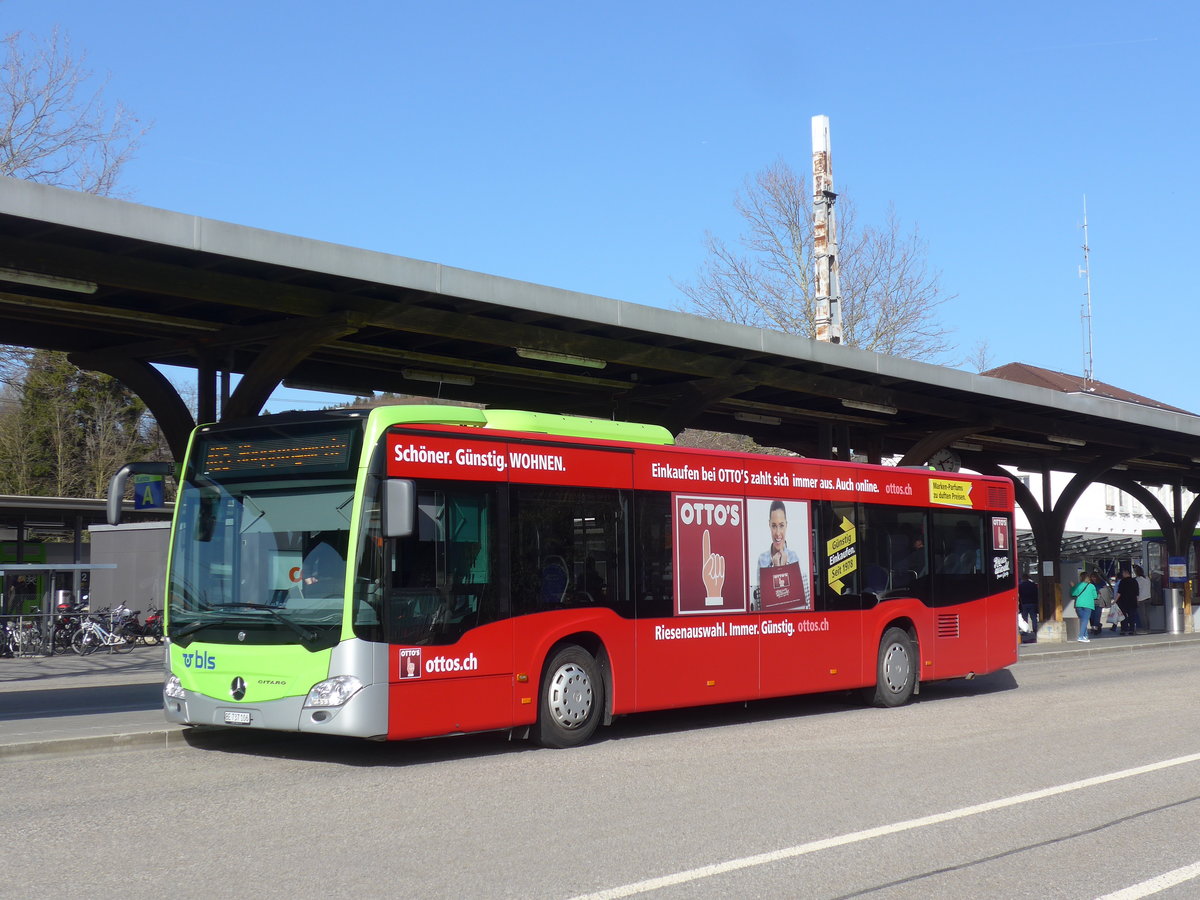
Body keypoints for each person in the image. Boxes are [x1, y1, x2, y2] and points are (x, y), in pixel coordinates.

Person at [758, 500, 801, 568]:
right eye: (774, 526)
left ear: (786, 525)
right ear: (769, 525)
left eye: (781, 525)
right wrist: (776, 567)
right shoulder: (762, 559)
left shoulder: (794, 558)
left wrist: (784, 566)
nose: (778, 533)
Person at [1070, 572, 1097, 643]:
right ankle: (1081, 636)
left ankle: (1085, 636)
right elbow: (1095, 596)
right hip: (1088, 605)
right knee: (1085, 621)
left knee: (1083, 620)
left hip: (1079, 605)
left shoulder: (1078, 585)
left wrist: (1073, 586)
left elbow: (1073, 593)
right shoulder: (1092, 586)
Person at [1115, 568, 1139, 635]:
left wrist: (1115, 601)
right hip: (1133, 601)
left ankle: (1124, 629)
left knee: (1123, 616)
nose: (1122, 575)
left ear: (1125, 573)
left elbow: (1119, 593)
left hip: (1123, 602)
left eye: (1123, 573)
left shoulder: (1122, 582)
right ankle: (1132, 629)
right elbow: (1137, 593)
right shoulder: (1134, 581)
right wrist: (1137, 601)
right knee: (1132, 616)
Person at [1018, 571, 1039, 643]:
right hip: (1033, 603)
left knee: (1025, 618)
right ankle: (1035, 629)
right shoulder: (1033, 585)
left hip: (1024, 603)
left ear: (1023, 578)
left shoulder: (1021, 586)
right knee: (1034, 617)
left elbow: (1019, 595)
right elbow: (1036, 593)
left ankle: (1026, 631)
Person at [1093, 572, 1114, 636]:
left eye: (1094, 577)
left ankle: (1096, 628)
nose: (1093, 578)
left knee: (1097, 615)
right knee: (1092, 616)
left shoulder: (1101, 582)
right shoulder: (1091, 583)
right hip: (1092, 601)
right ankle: (1097, 625)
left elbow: (1106, 591)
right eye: (1092, 577)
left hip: (1100, 601)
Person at [1133, 565, 1151, 634]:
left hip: (1141, 599)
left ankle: (1145, 629)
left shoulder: (1137, 580)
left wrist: (1136, 600)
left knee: (1142, 615)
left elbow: (1137, 591)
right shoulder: (1147, 578)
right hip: (1148, 598)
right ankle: (1148, 628)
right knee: (1147, 615)